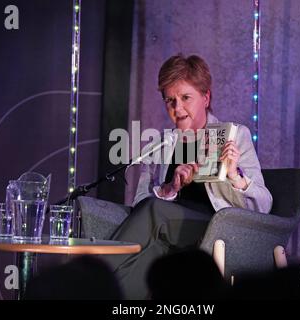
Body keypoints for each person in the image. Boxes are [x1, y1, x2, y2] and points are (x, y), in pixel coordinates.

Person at [104, 54, 272, 299]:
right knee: (151, 254)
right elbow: (139, 202)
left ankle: (89, 280)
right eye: (169, 100)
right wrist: (169, 188)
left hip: (217, 229)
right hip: (168, 231)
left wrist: (235, 176)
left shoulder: (235, 136)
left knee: (155, 211)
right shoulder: (161, 144)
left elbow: (264, 205)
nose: (177, 108)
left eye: (185, 98)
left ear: (206, 97)